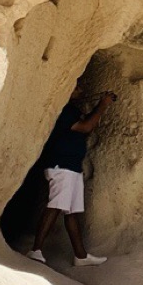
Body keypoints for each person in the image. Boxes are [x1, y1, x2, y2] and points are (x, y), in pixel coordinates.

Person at [30, 80, 116, 267]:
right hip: (61, 166)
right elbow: (85, 127)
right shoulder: (64, 110)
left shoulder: (73, 111)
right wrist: (103, 105)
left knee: (71, 212)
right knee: (55, 206)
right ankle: (35, 250)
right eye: (76, 86)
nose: (81, 89)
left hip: (72, 167)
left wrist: (100, 105)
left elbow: (86, 123)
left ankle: (81, 256)